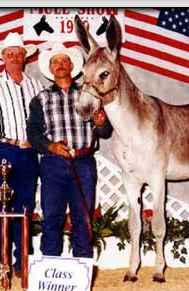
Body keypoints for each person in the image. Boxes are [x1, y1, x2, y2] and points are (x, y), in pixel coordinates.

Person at [27, 43, 112, 259]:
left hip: (83, 163)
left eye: (64, 61)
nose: (61, 65)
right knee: (52, 217)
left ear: (72, 66)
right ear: (51, 68)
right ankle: (50, 267)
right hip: (53, 164)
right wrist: (50, 146)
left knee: (82, 217)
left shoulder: (89, 94)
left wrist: (101, 123)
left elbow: (103, 131)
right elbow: (33, 134)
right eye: (56, 62)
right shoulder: (41, 98)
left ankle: (80, 272)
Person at [0, 33, 44, 278]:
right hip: (5, 149)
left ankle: (22, 261)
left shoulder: (36, 85)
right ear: (3, 58)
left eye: (19, 53)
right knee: (2, 206)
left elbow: (42, 123)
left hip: (29, 152)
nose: (15, 58)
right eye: (10, 54)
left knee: (26, 207)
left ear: (25, 57)